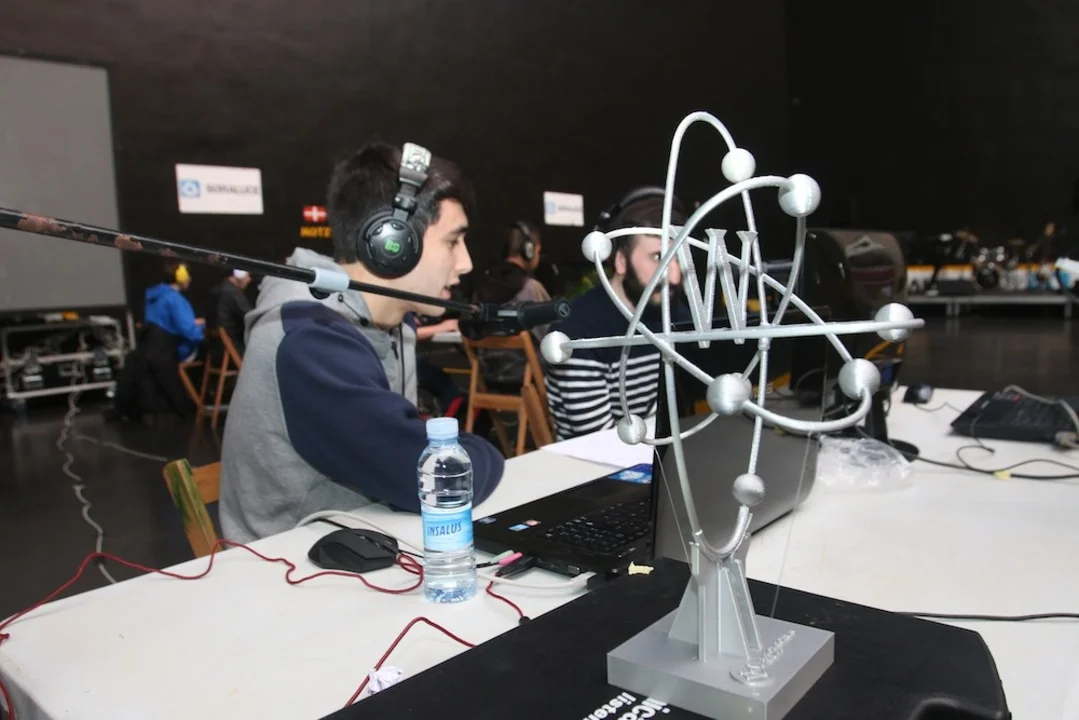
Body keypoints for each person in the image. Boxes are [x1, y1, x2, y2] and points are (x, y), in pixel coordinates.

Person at [218, 141, 505, 542]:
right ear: (393, 242)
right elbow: (438, 480)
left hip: (362, 538)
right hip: (291, 567)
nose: (466, 263)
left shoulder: (390, 324)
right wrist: (487, 450)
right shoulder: (310, 340)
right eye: (453, 241)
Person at [544, 190, 687, 440]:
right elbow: (601, 442)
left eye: (678, 257)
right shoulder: (577, 333)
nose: (674, 276)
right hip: (598, 458)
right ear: (621, 261)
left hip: (663, 450)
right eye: (658, 257)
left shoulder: (678, 315)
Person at [466, 221, 552, 387]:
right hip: (528, 381)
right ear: (529, 250)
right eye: (538, 251)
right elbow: (552, 334)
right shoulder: (530, 287)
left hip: (490, 380)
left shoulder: (483, 284)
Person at [143, 261, 204, 362]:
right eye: (188, 276)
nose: (190, 279)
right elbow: (190, 332)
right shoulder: (175, 299)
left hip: (153, 351)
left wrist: (193, 322)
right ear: (181, 278)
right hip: (173, 352)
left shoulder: (153, 297)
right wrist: (204, 329)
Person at [206, 269, 254, 356]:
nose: (249, 279)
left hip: (216, 349)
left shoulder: (216, 290)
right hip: (233, 349)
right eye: (248, 275)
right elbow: (250, 316)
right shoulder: (232, 293)